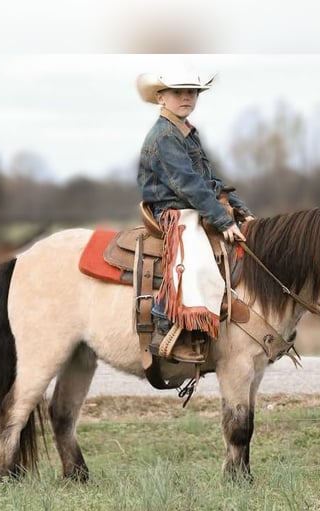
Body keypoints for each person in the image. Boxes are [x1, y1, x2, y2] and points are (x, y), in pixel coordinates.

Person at [136, 71, 254, 362]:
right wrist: (223, 221)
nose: (187, 97)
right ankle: (166, 323)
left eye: (192, 91)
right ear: (161, 97)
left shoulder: (187, 131)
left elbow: (210, 179)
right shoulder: (164, 136)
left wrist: (241, 211)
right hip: (172, 209)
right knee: (194, 256)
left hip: (191, 203)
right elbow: (187, 184)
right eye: (178, 92)